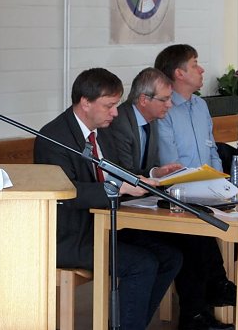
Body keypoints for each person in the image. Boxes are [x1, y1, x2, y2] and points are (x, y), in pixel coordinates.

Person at [34, 68, 182, 330]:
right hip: (72, 236)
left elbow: (116, 172)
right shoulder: (54, 137)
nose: (115, 112)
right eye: (109, 105)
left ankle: (129, 324)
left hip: (105, 225)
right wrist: (118, 187)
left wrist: (147, 176)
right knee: (142, 264)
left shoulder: (102, 130)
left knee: (171, 256)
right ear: (85, 102)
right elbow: (65, 193)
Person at [109, 67, 236, 330]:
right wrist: (152, 176)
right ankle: (201, 305)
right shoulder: (120, 123)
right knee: (190, 236)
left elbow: (143, 171)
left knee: (197, 231)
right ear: (144, 100)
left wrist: (157, 172)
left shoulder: (151, 121)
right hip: (121, 214)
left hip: (141, 205)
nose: (170, 104)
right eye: (165, 100)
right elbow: (121, 173)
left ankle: (200, 308)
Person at [154, 44, 223, 171]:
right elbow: (171, 165)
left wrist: (220, 181)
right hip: (179, 187)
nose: (201, 70)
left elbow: (212, 151)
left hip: (210, 184)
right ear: (179, 73)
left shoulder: (201, 105)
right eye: (195, 65)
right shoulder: (164, 110)